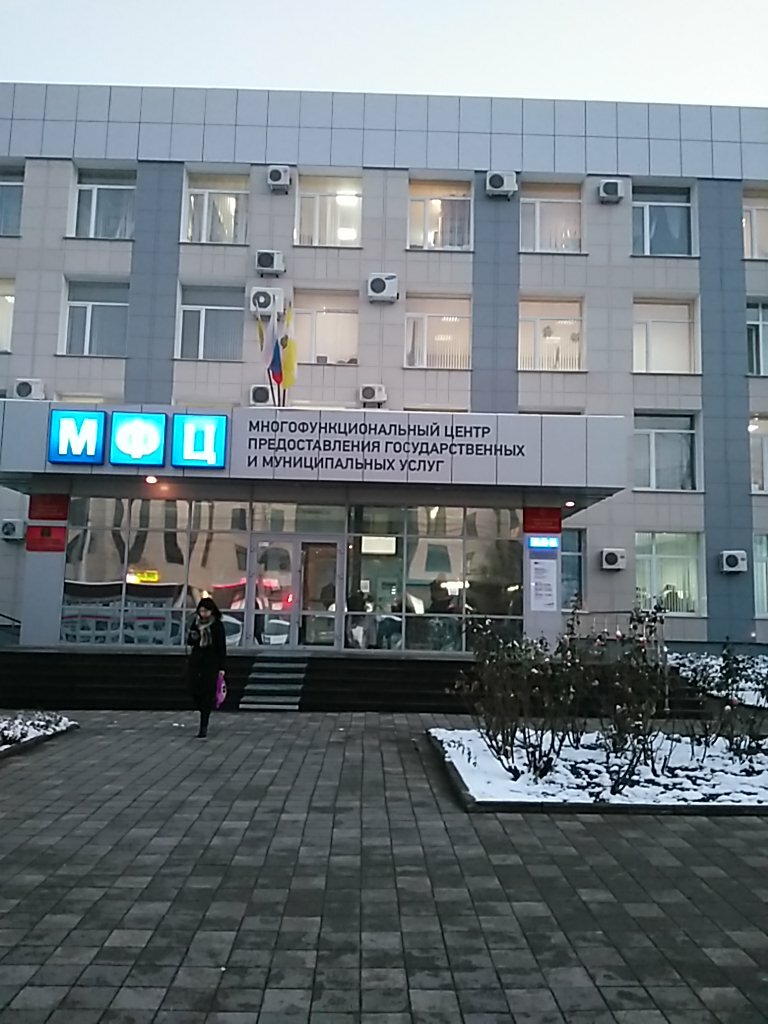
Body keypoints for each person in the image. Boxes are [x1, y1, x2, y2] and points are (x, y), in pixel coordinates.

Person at [187, 597, 226, 738]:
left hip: (211, 662)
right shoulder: (196, 623)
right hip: (196, 661)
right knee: (194, 689)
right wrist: (194, 636)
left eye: (206, 611)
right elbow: (190, 641)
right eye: (201, 611)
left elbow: (221, 647)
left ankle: (204, 725)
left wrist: (222, 667)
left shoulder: (217, 625)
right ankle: (202, 708)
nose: (203, 614)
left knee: (207, 692)